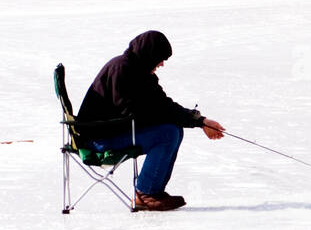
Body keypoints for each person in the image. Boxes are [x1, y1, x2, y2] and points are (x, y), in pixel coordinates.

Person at [75, 30, 224, 211]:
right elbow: (132, 112)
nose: (161, 64)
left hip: (112, 131)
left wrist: (201, 121)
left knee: (174, 128)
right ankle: (145, 194)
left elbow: (163, 105)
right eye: (160, 59)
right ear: (149, 54)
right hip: (99, 138)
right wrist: (173, 119)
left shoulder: (140, 71)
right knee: (167, 133)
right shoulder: (122, 69)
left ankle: (153, 192)